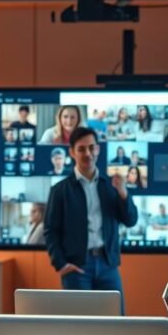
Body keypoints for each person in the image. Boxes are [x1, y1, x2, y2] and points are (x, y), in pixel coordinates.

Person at [44, 127, 138, 306]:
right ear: (72, 152)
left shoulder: (111, 186)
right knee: (79, 327)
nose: (88, 153)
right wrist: (61, 264)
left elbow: (130, 220)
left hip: (107, 265)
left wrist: (123, 192)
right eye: (81, 149)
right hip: (77, 267)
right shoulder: (60, 190)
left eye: (91, 147)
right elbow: (50, 231)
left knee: (117, 325)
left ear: (98, 149)